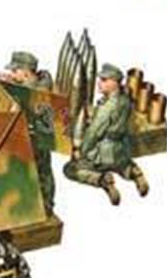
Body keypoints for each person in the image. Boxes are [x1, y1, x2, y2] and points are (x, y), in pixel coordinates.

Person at [63, 64, 149, 206]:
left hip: (103, 155)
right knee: (121, 165)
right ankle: (134, 172)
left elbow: (93, 133)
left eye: (104, 80)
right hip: (121, 151)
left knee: (69, 169)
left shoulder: (107, 107)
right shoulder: (125, 100)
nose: (99, 83)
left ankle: (102, 180)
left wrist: (80, 151)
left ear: (114, 83)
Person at [0, 51, 57, 213]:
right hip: (30, 135)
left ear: (25, 72)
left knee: (41, 172)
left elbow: (30, 105)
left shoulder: (38, 89)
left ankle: (46, 206)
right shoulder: (31, 84)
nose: (12, 74)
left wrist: (12, 88)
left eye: (15, 71)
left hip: (37, 137)